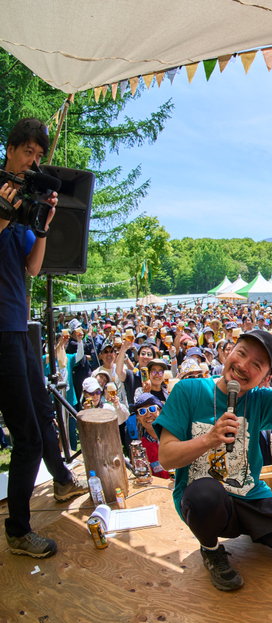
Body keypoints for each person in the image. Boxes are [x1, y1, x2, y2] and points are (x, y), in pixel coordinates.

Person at [153, 324, 272, 591]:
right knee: (204, 493)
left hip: (250, 496)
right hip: (206, 501)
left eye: (257, 364)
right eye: (242, 353)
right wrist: (209, 439)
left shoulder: (260, 399)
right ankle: (211, 550)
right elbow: (166, 458)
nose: (244, 365)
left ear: (265, 377)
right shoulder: (188, 391)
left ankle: (256, 529)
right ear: (228, 352)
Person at [1, 118, 89, 559]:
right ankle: (17, 530)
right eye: (28, 152)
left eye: (39, 155)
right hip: (1, 330)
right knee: (28, 436)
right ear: (11, 149)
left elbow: (33, 269)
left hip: (16, 325)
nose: (34, 161)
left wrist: (43, 227)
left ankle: (53, 489)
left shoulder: (21, 210)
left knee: (36, 421)